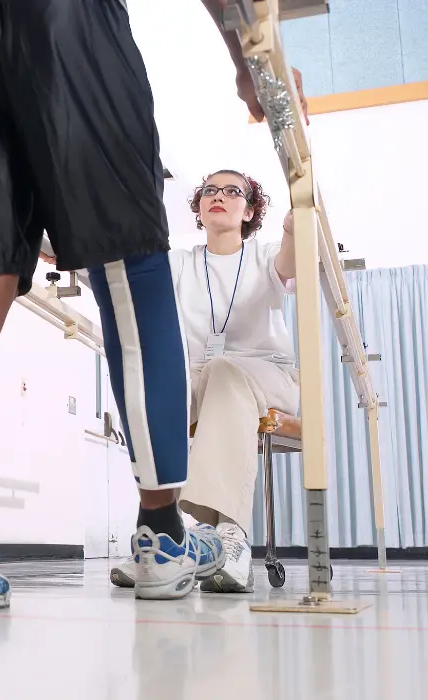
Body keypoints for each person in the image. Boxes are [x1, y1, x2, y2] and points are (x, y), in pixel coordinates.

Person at [0, 0, 307, 610]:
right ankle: (163, 537)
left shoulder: (257, 256)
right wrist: (249, 60)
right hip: (64, 24)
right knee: (132, 273)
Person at [110, 170, 299, 593]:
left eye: (233, 192)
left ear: (249, 211)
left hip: (268, 374)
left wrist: (294, 225)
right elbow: (126, 272)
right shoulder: (180, 263)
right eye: (210, 190)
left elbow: (291, 259)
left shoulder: (265, 255)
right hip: (200, 378)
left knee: (223, 371)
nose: (220, 196)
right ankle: (167, 534)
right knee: (156, 388)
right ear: (198, 207)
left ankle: (229, 535)